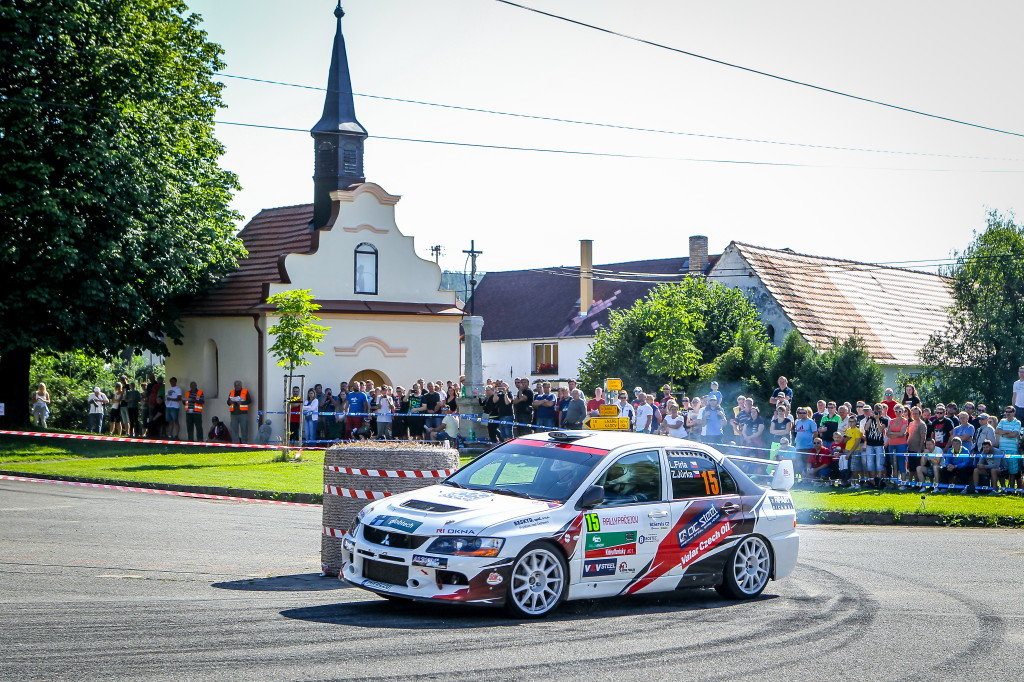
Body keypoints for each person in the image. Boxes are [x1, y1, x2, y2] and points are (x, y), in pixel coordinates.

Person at [861, 403, 889, 489]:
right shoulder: (870, 418)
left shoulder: (884, 419)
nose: (878, 413)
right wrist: (872, 418)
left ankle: (879, 480)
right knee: (870, 463)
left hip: (879, 445)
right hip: (870, 444)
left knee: (879, 463)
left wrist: (877, 419)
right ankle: (872, 481)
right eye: (877, 411)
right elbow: (866, 428)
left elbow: (881, 430)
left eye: (880, 411)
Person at [995, 407, 1022, 491]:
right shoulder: (1002, 421)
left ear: (1014, 412)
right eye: (1006, 412)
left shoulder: (1017, 422)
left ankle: (1011, 489)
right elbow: (997, 430)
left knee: (1012, 472)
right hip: (1002, 449)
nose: (1008, 413)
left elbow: (1014, 435)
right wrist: (1007, 433)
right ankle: (1003, 488)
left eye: (1010, 412)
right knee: (1002, 470)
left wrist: (1003, 433)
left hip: (1012, 450)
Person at [887, 405, 910, 485]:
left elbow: (902, 433)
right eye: (896, 411)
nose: (897, 413)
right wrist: (897, 434)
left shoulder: (905, 421)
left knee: (901, 463)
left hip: (901, 444)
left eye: (899, 411)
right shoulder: (891, 421)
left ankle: (903, 483)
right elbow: (887, 434)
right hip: (891, 444)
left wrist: (893, 433)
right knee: (893, 463)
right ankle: (895, 482)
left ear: (903, 412)